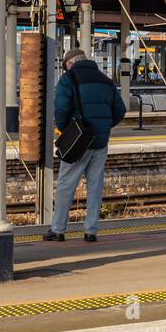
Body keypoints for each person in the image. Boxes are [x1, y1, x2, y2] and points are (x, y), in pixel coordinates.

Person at [43, 47, 128, 243]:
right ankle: (91, 231)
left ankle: (58, 229)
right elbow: (120, 110)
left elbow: (61, 110)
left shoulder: (69, 79)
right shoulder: (106, 81)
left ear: (70, 63)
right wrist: (104, 126)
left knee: (66, 185)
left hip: (78, 142)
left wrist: (67, 131)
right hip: (100, 141)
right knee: (95, 186)